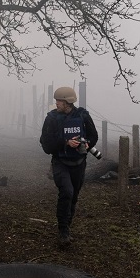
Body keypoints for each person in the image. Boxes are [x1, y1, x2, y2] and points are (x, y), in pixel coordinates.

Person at [39, 86, 98, 246]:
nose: (56, 103)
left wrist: (86, 144)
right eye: (56, 100)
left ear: (68, 102)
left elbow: (93, 136)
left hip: (79, 162)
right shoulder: (51, 118)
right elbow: (45, 144)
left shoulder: (82, 115)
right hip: (60, 162)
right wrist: (65, 142)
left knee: (74, 196)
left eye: (60, 101)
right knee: (66, 192)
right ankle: (63, 230)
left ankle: (67, 226)